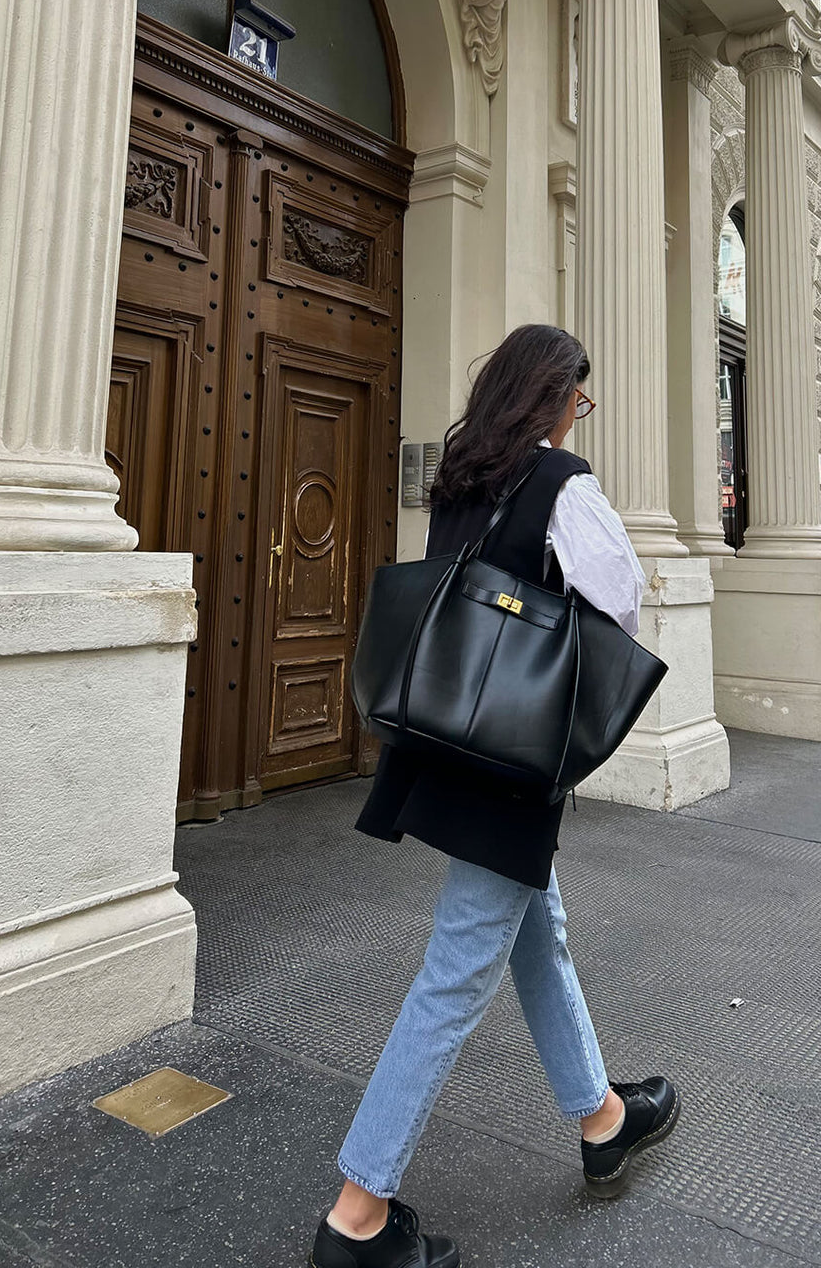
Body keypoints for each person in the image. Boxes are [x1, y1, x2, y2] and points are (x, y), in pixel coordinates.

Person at [309, 324, 680, 1268]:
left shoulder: (464, 476)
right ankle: (359, 1213)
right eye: (577, 397)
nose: (578, 413)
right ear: (554, 396)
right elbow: (622, 599)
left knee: (535, 932)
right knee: (452, 977)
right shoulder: (561, 483)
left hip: (450, 738)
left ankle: (602, 1119)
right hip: (514, 755)